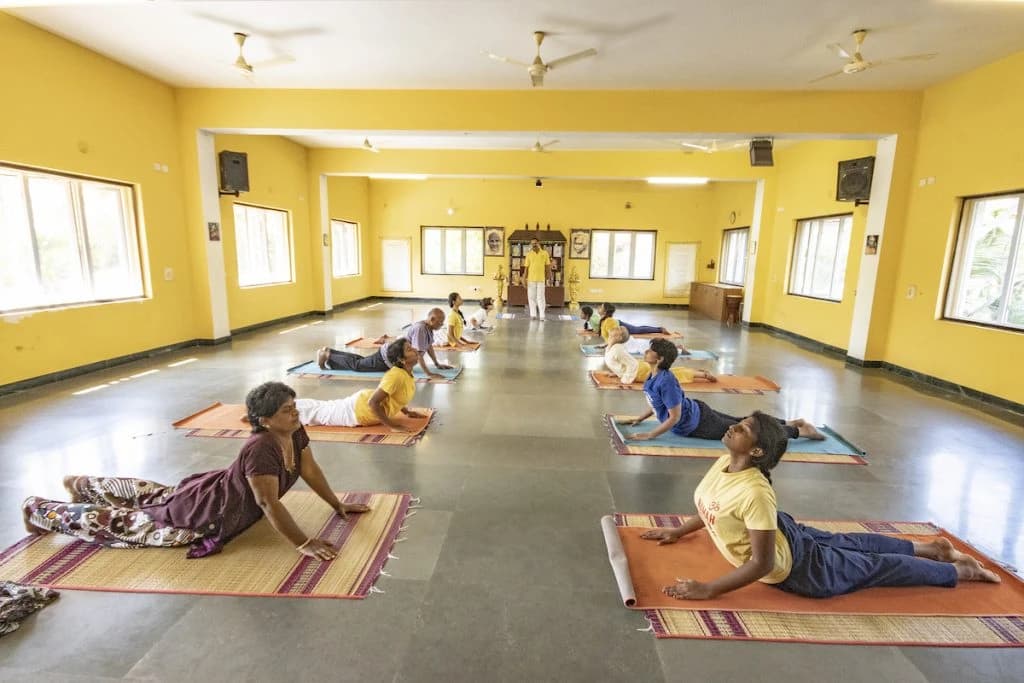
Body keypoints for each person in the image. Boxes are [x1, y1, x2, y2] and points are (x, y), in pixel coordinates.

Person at [640, 412, 1000, 600]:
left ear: (757, 452)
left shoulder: (755, 492)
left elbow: (762, 563)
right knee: (851, 543)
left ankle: (960, 572)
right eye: (740, 424)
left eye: (744, 429)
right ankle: (932, 548)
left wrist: (710, 588)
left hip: (800, 570)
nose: (733, 427)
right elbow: (712, 505)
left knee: (873, 566)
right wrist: (679, 529)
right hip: (782, 531)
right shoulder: (726, 462)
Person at [22, 382, 371, 561]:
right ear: (264, 421)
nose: (295, 414)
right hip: (202, 514)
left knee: (156, 494)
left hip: (210, 488)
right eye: (285, 411)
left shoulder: (294, 431)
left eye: (294, 407)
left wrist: (335, 505)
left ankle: (83, 483)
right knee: (125, 523)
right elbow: (268, 504)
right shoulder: (261, 447)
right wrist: (304, 542)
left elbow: (309, 468)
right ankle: (39, 508)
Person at [618, 338, 822, 442]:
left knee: (746, 432)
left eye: (650, 350)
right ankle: (788, 422)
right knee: (742, 420)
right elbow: (655, 404)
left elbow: (674, 417)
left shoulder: (666, 381)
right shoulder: (652, 376)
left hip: (698, 423)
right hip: (698, 411)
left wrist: (651, 435)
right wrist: (640, 419)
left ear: (660, 359)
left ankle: (799, 431)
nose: (645, 352)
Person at [297, 339, 427, 433]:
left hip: (361, 403)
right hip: (357, 411)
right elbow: (373, 403)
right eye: (410, 349)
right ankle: (280, 410)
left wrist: (407, 412)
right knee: (317, 414)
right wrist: (392, 425)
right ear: (401, 360)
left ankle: (288, 405)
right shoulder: (396, 376)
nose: (415, 350)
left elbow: (395, 395)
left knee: (322, 407)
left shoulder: (406, 373)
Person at [316, 307, 452, 380]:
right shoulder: (421, 329)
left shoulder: (428, 328)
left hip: (389, 356)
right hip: (386, 358)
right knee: (358, 365)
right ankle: (327, 354)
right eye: (440, 321)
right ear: (432, 319)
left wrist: (437, 364)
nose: (442, 324)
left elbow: (428, 347)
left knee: (362, 361)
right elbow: (418, 354)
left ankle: (330, 353)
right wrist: (429, 374)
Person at [604, 326, 716, 386]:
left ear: (618, 338)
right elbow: (620, 363)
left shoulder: (617, 349)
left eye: (612, 335)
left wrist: (625, 380)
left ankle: (703, 374)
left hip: (641, 372)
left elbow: (632, 364)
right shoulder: (611, 347)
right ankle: (696, 372)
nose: (609, 336)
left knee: (674, 376)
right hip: (640, 369)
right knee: (671, 372)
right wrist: (617, 372)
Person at [598, 302, 671, 342]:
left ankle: (660, 329)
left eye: (601, 307)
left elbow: (614, 337)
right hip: (618, 323)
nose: (598, 308)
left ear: (605, 312)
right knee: (638, 329)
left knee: (638, 330)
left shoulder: (609, 321)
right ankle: (659, 329)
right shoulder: (605, 319)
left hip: (621, 325)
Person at [523, 237, 551, 320]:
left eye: (535, 243)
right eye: (532, 244)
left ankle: (542, 315)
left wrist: (549, 276)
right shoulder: (529, 254)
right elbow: (526, 268)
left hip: (541, 279)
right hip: (531, 279)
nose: (533, 245)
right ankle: (533, 315)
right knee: (531, 297)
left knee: (541, 297)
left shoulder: (545, 253)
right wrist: (524, 278)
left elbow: (547, 266)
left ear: (539, 243)